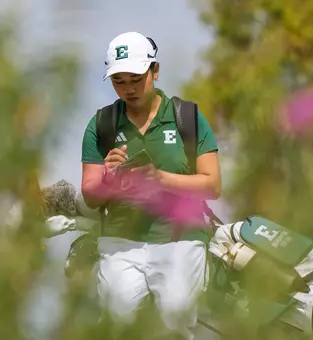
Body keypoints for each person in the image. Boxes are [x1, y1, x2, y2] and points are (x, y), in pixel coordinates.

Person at [80, 31, 222, 339]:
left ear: (154, 71)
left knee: (175, 328)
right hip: (120, 244)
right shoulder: (102, 124)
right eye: (119, 80)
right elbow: (90, 194)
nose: (128, 88)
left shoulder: (187, 117)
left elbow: (212, 185)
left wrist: (160, 177)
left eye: (136, 78)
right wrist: (109, 177)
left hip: (180, 242)